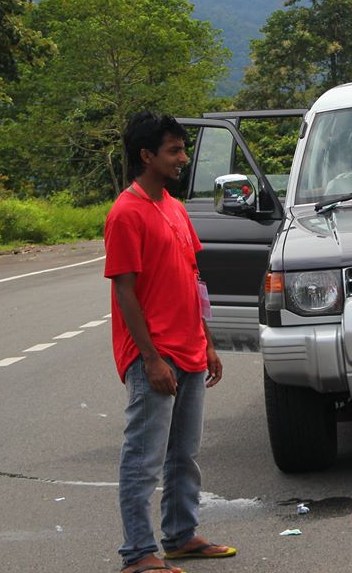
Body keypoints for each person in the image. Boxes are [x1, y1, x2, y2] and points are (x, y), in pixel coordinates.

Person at [104, 111, 237, 573]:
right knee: (143, 460)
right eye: (173, 150)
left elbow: (192, 280)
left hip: (190, 350)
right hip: (154, 358)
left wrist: (208, 342)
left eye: (182, 149)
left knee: (184, 454)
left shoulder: (175, 208)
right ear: (147, 155)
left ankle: (180, 536)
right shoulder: (126, 212)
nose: (183, 158)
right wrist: (151, 358)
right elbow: (124, 292)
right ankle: (138, 554)